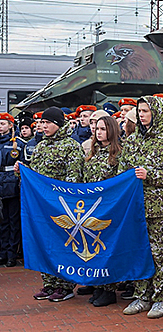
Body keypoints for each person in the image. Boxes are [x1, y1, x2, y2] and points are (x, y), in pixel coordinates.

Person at [119, 95, 163, 319]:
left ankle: (160, 298)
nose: (141, 115)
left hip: (159, 210)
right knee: (138, 252)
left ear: (156, 112)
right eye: (139, 111)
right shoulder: (131, 141)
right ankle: (141, 296)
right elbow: (122, 172)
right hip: (135, 208)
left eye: (146, 111)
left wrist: (151, 175)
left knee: (160, 255)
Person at [19, 107, 85, 302]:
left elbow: (73, 179)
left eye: (47, 123)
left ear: (57, 124)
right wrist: (22, 171)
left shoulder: (71, 146)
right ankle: (49, 283)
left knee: (61, 244)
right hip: (41, 206)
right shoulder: (41, 146)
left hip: (60, 206)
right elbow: (36, 175)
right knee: (45, 243)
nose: (43, 126)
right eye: (42, 123)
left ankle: (64, 286)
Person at [83, 116, 122, 307]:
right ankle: (98, 285)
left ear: (111, 131)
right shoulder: (93, 152)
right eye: (96, 128)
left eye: (103, 129)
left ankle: (109, 289)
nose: (98, 132)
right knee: (93, 249)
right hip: (91, 208)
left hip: (108, 208)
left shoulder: (117, 154)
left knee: (106, 248)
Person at [0, 113, 26, 268]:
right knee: (2, 222)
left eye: (3, 124)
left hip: (12, 183)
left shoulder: (18, 143)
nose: (0, 127)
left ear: (10, 125)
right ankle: (2, 252)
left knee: (13, 220)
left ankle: (12, 254)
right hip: (1, 182)